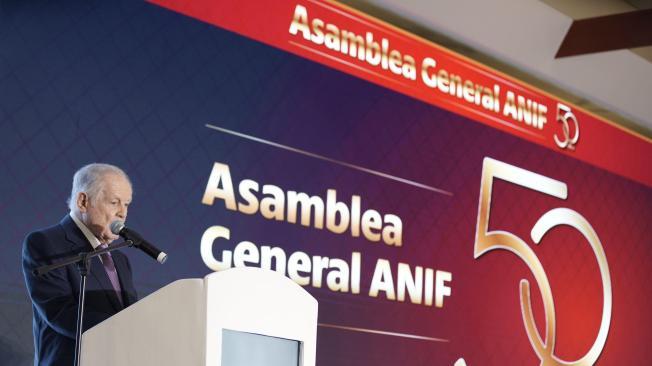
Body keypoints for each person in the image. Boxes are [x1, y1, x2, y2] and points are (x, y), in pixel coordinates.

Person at [22, 163, 138, 366]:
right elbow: (61, 312)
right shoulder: (46, 243)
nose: (123, 213)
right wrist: (124, 332)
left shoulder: (121, 260)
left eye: (127, 204)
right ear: (83, 201)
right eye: (114, 202)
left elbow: (130, 316)